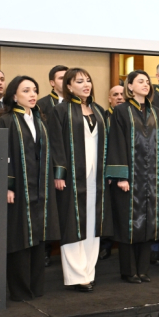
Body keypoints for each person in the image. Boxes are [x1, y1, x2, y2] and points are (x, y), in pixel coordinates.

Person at [0, 75, 59, 301]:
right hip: (18, 189)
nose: (32, 95)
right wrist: (7, 186)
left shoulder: (40, 120)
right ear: (14, 96)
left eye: (34, 90)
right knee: (19, 238)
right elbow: (1, 157)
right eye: (26, 91)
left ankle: (36, 286)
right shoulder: (5, 122)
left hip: (40, 189)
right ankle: (20, 290)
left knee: (38, 237)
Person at [49, 68, 109, 292]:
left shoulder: (98, 110)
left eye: (88, 80)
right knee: (72, 224)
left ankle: (88, 271)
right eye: (80, 81)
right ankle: (76, 274)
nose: (86, 85)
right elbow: (55, 143)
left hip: (96, 175)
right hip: (72, 177)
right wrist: (59, 173)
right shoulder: (60, 110)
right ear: (69, 86)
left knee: (93, 223)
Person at [105, 70, 159, 283]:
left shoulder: (156, 112)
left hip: (151, 177)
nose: (146, 84)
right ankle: (129, 271)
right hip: (130, 178)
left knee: (148, 222)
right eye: (140, 81)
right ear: (129, 86)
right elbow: (116, 142)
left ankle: (143, 270)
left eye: (147, 81)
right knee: (128, 223)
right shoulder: (121, 111)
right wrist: (121, 176)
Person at [99, 83, 124, 261]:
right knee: (106, 211)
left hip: (126, 174)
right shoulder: (102, 117)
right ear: (109, 99)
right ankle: (105, 245)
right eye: (115, 95)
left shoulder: (130, 117)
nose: (119, 97)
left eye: (122, 94)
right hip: (105, 174)